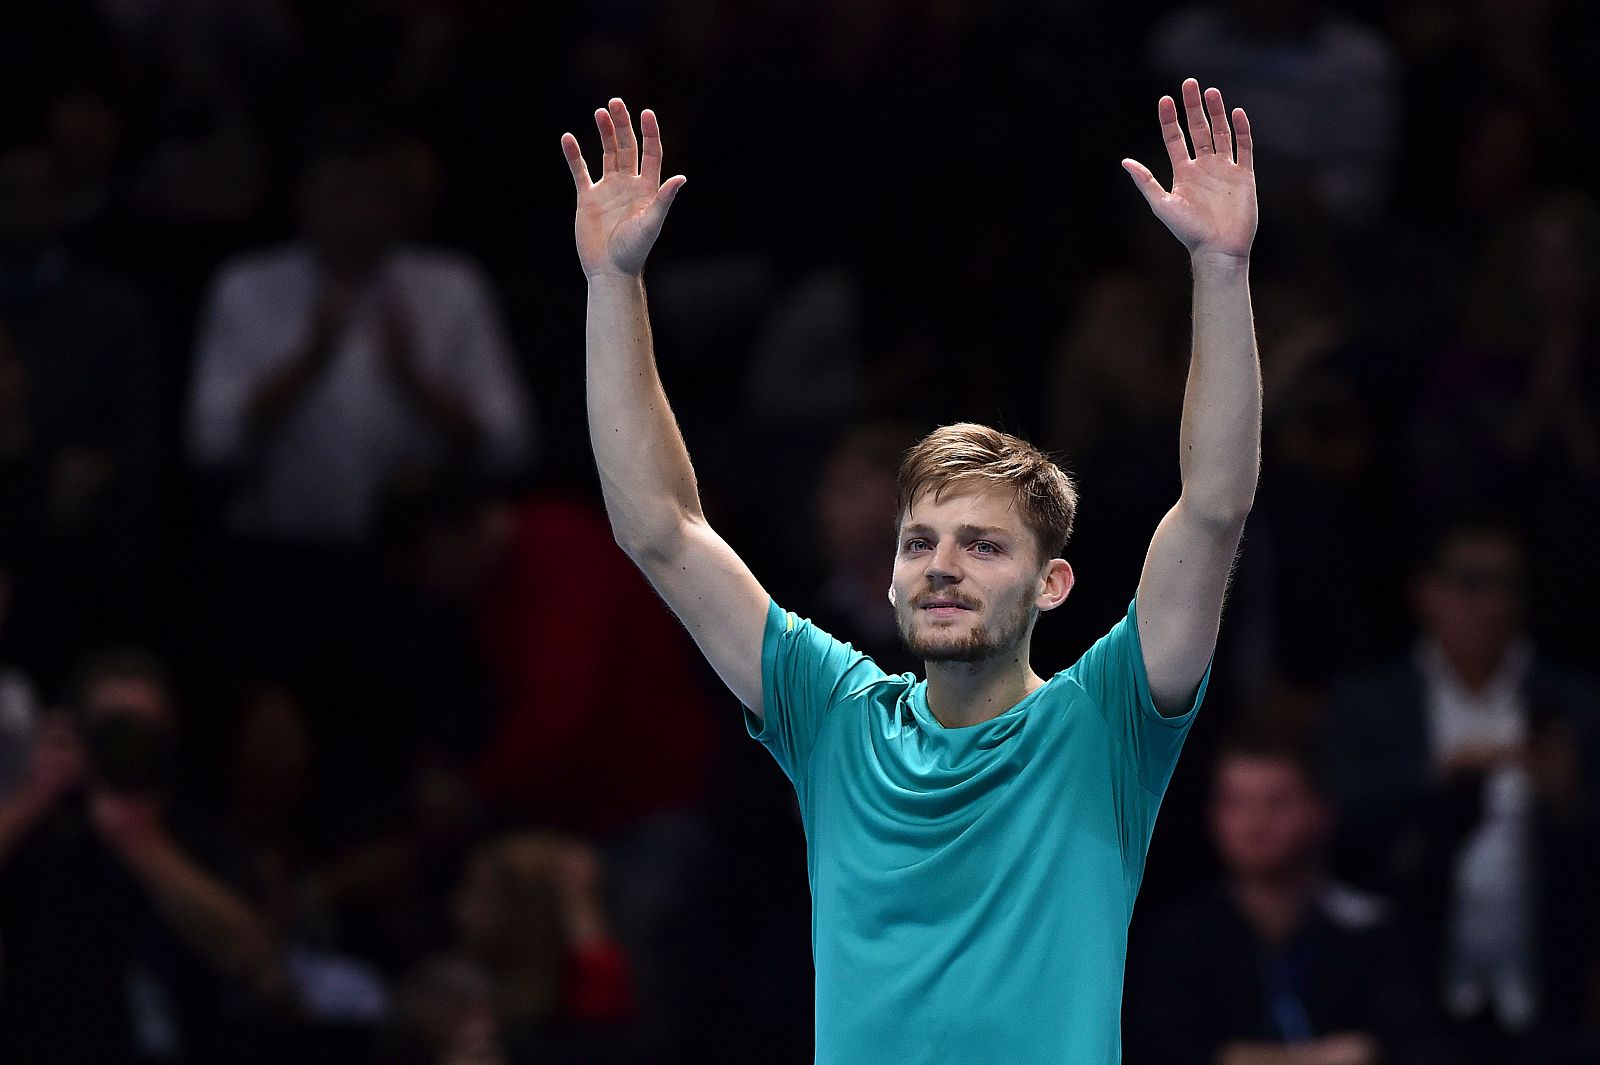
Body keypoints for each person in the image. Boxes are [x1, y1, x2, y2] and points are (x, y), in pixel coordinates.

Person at [559, 79, 1260, 1064]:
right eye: (919, 543)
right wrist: (612, 285)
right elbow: (661, 530)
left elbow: (1214, 509)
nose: (940, 568)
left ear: (1050, 585)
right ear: (886, 579)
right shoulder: (832, 713)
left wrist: (1221, 271)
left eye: (983, 546)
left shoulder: (1105, 723)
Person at [1323, 520, 1600, 1063]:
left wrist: (1567, 800)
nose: (1492, 605)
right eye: (1472, 583)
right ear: (1425, 591)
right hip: (1411, 994)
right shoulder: (1372, 704)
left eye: (1508, 585)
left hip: (1546, 995)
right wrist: (1433, 775)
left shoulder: (1573, 703)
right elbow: (1338, 822)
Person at [1126, 727, 1450, 1065]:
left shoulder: (1375, 930)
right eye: (1235, 802)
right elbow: (1165, 1048)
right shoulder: (1179, 937)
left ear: (1322, 810)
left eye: (1277, 802)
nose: (1254, 822)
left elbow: (1412, 1041)